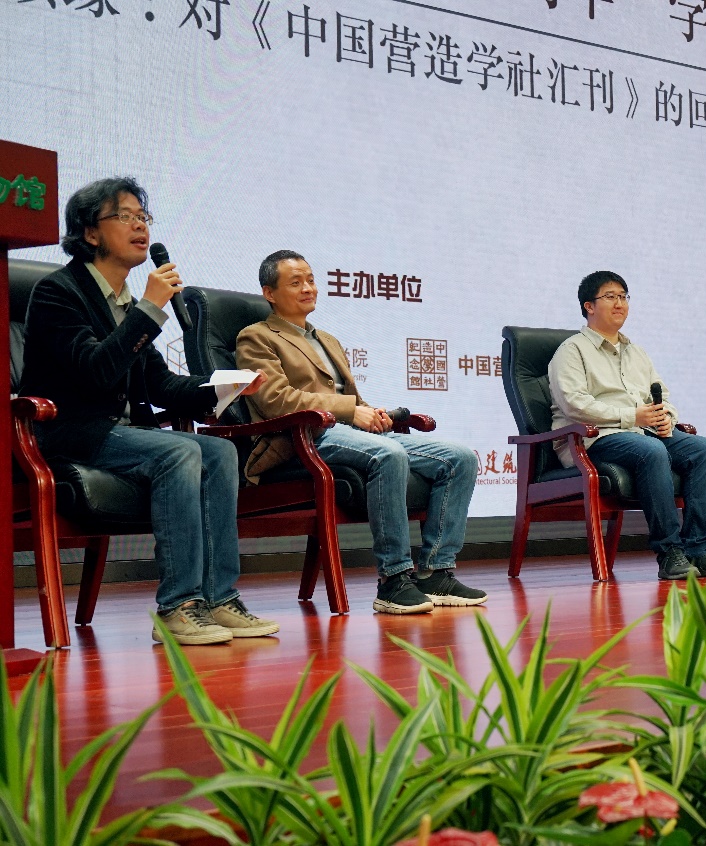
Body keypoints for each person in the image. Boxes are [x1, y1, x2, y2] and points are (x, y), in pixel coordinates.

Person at [20, 176, 277, 645]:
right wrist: (151, 309)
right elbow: (96, 371)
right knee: (179, 452)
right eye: (125, 216)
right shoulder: (58, 293)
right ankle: (179, 606)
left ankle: (219, 598)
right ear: (90, 232)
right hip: (71, 433)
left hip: (123, 434)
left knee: (219, 452)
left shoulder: (126, 304)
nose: (140, 226)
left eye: (144, 217)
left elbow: (162, 386)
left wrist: (225, 386)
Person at [236, 250, 484, 613]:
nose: (308, 288)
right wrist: (351, 411)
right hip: (306, 437)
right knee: (389, 454)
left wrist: (370, 413)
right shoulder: (256, 337)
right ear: (269, 293)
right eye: (295, 282)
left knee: (460, 458)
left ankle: (435, 572)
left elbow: (350, 398)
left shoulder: (328, 339)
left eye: (311, 280)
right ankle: (393, 579)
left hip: (349, 431)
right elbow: (276, 399)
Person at [547, 270, 706, 581]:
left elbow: (662, 396)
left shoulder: (636, 352)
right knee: (651, 450)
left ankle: (698, 550)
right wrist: (632, 417)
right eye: (610, 297)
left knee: (704, 450)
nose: (619, 303)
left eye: (623, 297)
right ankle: (670, 553)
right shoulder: (571, 351)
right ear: (588, 306)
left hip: (641, 432)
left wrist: (666, 418)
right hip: (595, 438)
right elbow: (575, 404)